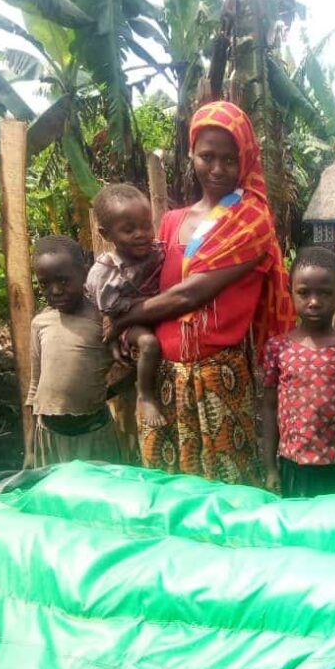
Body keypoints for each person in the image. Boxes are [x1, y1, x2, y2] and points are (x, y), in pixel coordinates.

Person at [106, 101, 295, 484]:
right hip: (161, 376)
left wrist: (123, 319)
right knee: (167, 485)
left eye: (230, 158)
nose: (218, 169)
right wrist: (126, 330)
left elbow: (188, 296)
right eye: (207, 156)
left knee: (225, 489)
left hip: (218, 377)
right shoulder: (171, 222)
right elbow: (145, 285)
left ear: (245, 160)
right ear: (191, 154)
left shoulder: (250, 222)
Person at [262, 246, 335, 498]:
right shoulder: (277, 349)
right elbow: (270, 409)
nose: (314, 302)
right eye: (304, 293)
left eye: (325, 293)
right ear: (290, 292)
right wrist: (271, 468)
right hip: (296, 468)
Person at [26, 235, 120, 467]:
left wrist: (102, 393)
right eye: (44, 284)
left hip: (94, 434)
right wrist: (29, 450)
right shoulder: (40, 323)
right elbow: (35, 387)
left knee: (99, 495)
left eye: (63, 280)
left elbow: (132, 365)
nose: (55, 290)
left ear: (84, 273)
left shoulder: (102, 321)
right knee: (55, 498)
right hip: (49, 437)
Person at [86, 184, 165, 428]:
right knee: (149, 344)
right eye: (129, 230)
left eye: (145, 225)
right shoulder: (106, 271)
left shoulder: (158, 251)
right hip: (129, 324)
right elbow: (107, 309)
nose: (141, 234)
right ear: (106, 234)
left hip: (158, 314)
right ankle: (145, 395)